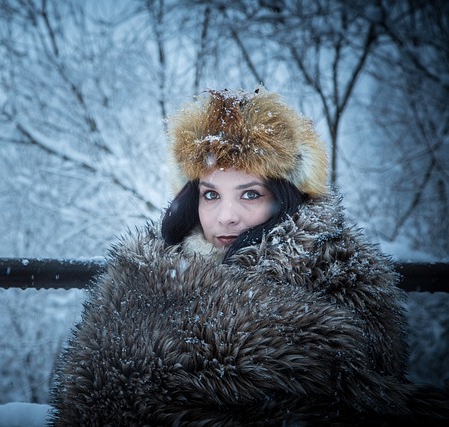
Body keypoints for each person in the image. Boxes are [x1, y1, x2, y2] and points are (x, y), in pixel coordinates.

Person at [50, 88, 449, 425]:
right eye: (211, 194)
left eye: (250, 194)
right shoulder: (142, 274)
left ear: (286, 197)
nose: (225, 216)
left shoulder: (340, 274)